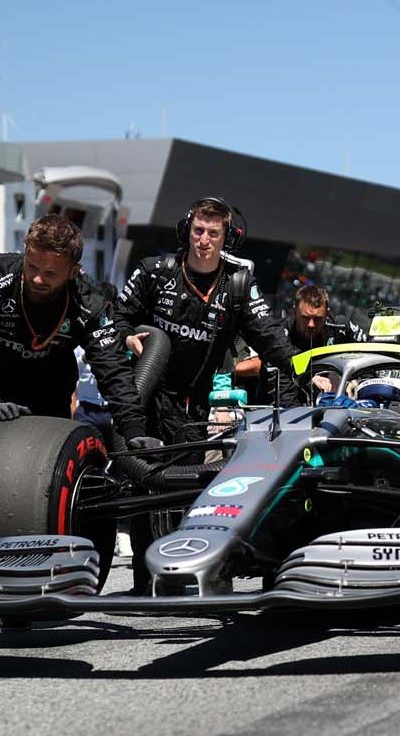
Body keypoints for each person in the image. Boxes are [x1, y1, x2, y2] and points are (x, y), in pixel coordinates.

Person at [108, 196, 308, 593]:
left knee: (191, 484)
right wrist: (128, 335)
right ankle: (146, 578)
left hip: (196, 402)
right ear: (187, 231)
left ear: (226, 238)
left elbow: (269, 338)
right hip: (146, 394)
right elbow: (115, 318)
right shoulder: (154, 272)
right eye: (199, 231)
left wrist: (304, 369)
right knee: (145, 483)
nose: (204, 240)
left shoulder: (238, 283)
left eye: (213, 233)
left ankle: (191, 566)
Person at [0, 215, 150, 523]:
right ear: (25, 252)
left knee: (46, 494)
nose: (37, 278)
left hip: (47, 401)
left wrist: (133, 429)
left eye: (50, 273)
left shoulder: (90, 302)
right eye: (32, 266)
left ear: (74, 271)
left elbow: (113, 370)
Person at [235, 283, 362, 403]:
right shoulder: (278, 336)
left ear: (327, 313)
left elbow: (371, 352)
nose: (311, 324)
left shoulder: (340, 327)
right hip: (276, 412)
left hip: (324, 407)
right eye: (305, 318)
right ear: (294, 312)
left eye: (317, 319)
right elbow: (284, 395)